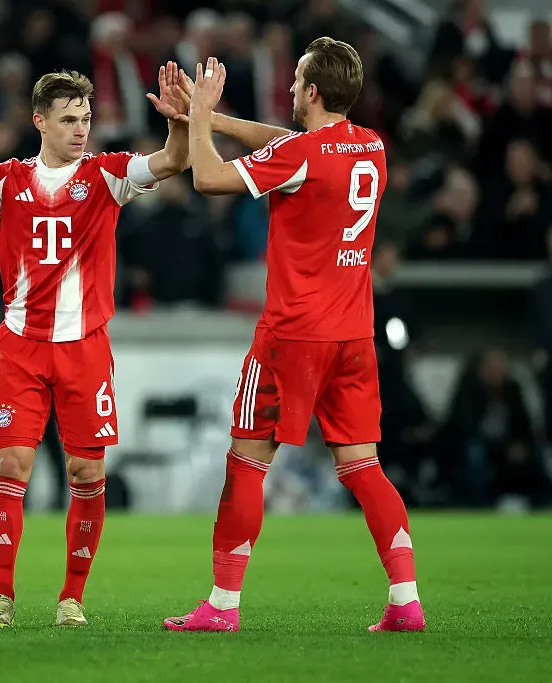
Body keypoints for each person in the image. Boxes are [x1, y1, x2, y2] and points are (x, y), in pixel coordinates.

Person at [0, 63, 190, 628]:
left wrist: (180, 124)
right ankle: (1, 596)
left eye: (85, 118)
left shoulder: (108, 174)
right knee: (12, 464)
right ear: (39, 121)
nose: (80, 129)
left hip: (84, 348)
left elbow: (172, 161)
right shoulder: (8, 178)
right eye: (68, 120)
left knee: (85, 472)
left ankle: (71, 598)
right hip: (22, 346)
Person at [163, 42, 425, 633]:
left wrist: (199, 120)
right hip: (353, 336)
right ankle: (406, 600)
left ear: (312, 91)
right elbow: (291, 145)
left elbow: (207, 178)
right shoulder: (371, 146)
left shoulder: (303, 154)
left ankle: (222, 606)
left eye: (297, 80)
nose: (288, 89)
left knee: (246, 463)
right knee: (363, 466)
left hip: (293, 336)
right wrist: (216, 119)